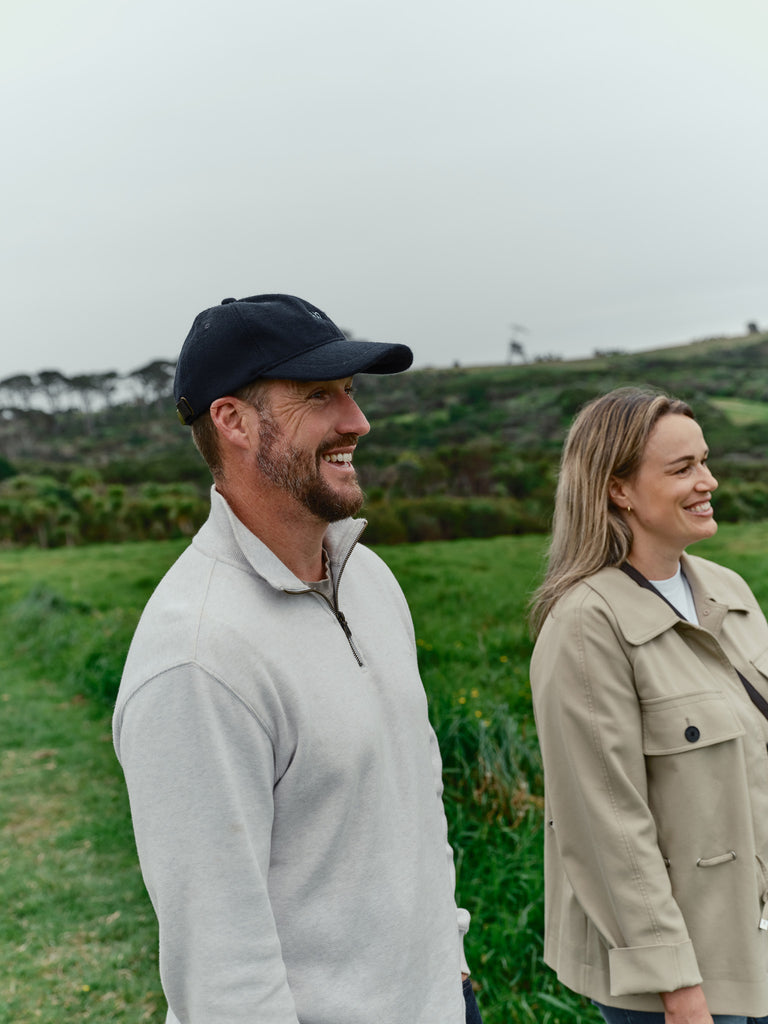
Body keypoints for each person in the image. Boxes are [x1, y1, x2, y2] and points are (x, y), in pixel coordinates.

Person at [112, 293, 481, 1024]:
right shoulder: (197, 657)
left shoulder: (369, 579)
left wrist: (454, 966)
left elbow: (413, 793)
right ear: (234, 422)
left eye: (350, 392)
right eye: (320, 397)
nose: (357, 421)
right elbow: (221, 971)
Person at [528, 386, 768, 1024]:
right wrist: (678, 989)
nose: (707, 481)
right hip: (685, 979)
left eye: (705, 461)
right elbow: (606, 828)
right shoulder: (585, 625)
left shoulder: (729, 590)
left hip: (759, 944)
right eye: (682, 468)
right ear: (618, 489)